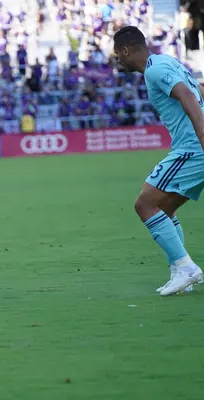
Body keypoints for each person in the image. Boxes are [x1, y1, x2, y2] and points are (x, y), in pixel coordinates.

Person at [113, 26, 204, 296]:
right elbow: (198, 88)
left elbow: (188, 95)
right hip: (193, 146)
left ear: (127, 50)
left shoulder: (154, 71)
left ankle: (185, 267)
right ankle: (180, 270)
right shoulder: (167, 60)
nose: (118, 60)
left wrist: (202, 136)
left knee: (145, 204)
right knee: (163, 207)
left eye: (118, 55)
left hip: (192, 148)